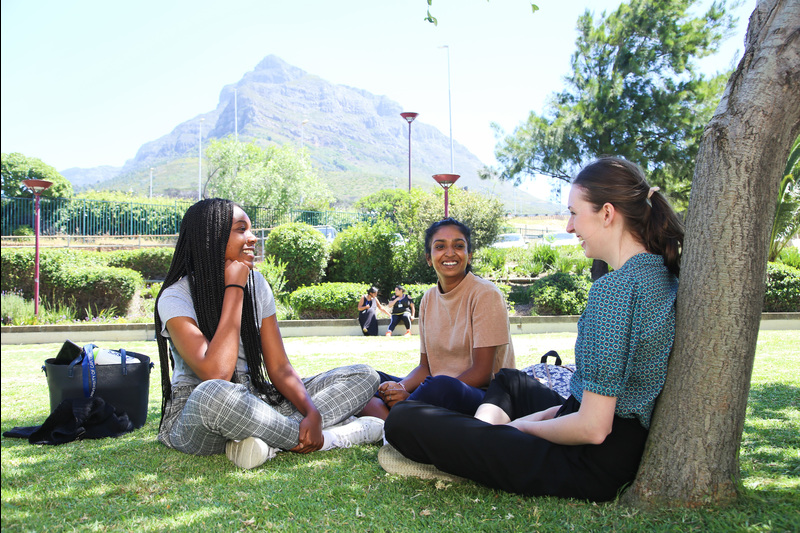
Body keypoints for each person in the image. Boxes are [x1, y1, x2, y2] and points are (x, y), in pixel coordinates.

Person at [382, 157, 685, 502]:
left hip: (590, 461)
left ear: (606, 213)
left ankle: (483, 442)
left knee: (403, 420)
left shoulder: (616, 290)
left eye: (574, 212)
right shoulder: (659, 273)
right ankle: (484, 439)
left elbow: (593, 427)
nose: (570, 226)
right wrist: (520, 426)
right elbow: (584, 405)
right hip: (607, 435)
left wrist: (521, 429)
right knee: (511, 380)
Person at [155, 198, 383, 470]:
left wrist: (311, 412)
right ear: (211, 238)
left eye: (251, 229)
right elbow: (216, 373)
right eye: (241, 229)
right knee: (215, 394)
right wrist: (234, 289)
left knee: (364, 375)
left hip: (257, 402)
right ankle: (332, 438)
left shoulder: (258, 284)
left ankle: (265, 439)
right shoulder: (175, 296)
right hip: (200, 413)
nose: (252, 238)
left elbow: (279, 367)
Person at [361, 218, 515, 420]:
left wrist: (412, 398)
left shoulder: (485, 294)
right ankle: (402, 417)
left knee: (441, 385)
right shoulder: (428, 299)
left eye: (459, 246)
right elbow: (426, 367)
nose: (450, 253)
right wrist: (398, 388)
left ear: (469, 256)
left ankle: (399, 415)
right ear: (428, 257)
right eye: (440, 246)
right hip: (434, 389)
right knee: (368, 378)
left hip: (483, 395)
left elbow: (482, 373)